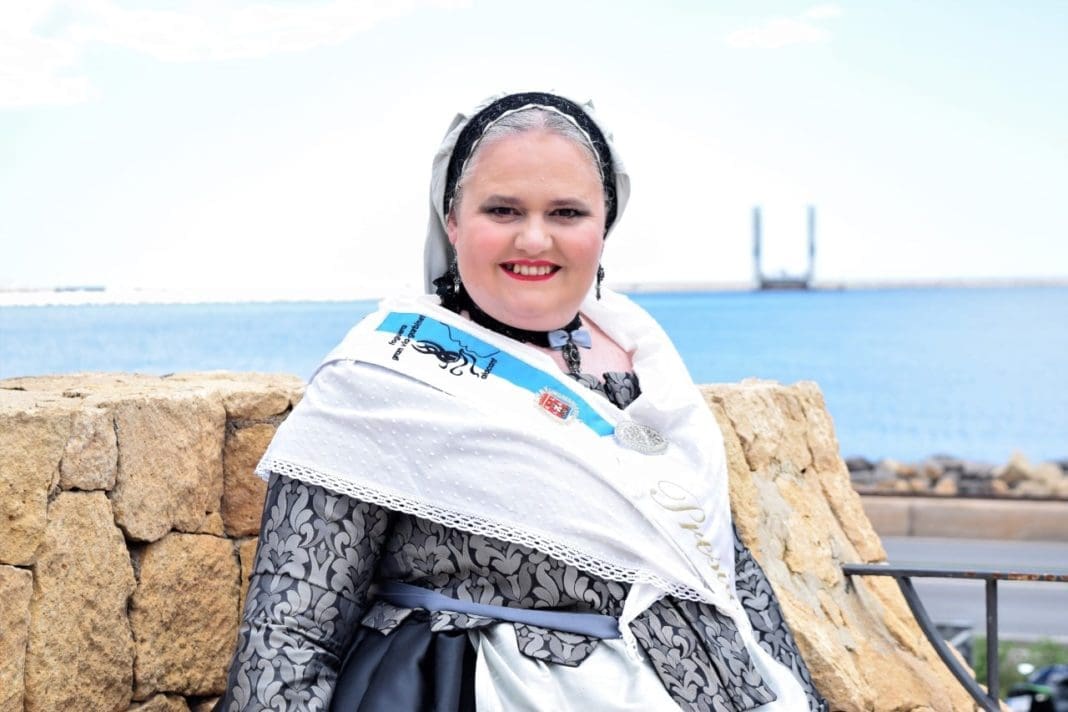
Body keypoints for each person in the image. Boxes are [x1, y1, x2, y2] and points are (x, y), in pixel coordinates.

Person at [218, 91, 828, 711]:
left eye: (567, 213)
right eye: (503, 210)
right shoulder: (385, 378)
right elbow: (289, 632)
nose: (534, 239)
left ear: (604, 226)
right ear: (453, 222)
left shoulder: (651, 371)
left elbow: (725, 576)